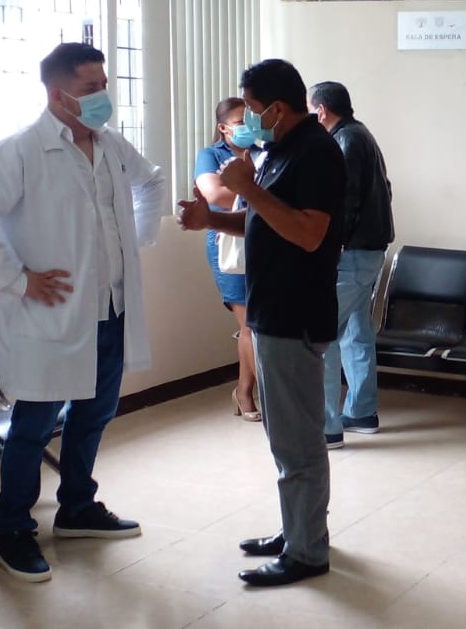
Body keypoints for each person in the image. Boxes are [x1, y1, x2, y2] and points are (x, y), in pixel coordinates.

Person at [0, 42, 168, 582]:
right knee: (34, 425)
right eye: (91, 88)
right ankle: (14, 529)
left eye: (104, 86)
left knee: (94, 414)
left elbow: (152, 181)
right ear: (57, 94)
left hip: (110, 307)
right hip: (51, 316)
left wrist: (136, 243)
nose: (103, 97)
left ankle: (77, 508)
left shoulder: (111, 145)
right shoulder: (21, 151)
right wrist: (16, 279)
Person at [176, 59, 345, 587]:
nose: (246, 119)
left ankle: (307, 552)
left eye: (251, 108)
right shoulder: (280, 150)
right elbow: (263, 221)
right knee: (284, 437)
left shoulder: (316, 153)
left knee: (299, 443)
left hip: (295, 314)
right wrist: (211, 218)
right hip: (271, 311)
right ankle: (298, 530)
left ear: (276, 107)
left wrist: (247, 189)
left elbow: (308, 234)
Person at [308, 81, 395, 446]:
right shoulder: (362, 135)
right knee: (356, 332)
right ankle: (361, 412)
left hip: (351, 253)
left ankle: (327, 427)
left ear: (322, 111)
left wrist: (328, 245)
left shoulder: (343, 141)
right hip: (369, 250)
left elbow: (344, 200)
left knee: (322, 332)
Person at [196, 97, 261, 422]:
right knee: (248, 324)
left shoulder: (262, 151)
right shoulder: (211, 155)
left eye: (251, 120)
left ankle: (243, 390)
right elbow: (215, 195)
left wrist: (253, 195)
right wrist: (259, 195)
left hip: (263, 240)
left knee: (259, 323)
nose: (247, 127)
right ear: (223, 128)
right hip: (228, 243)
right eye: (239, 122)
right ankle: (253, 394)